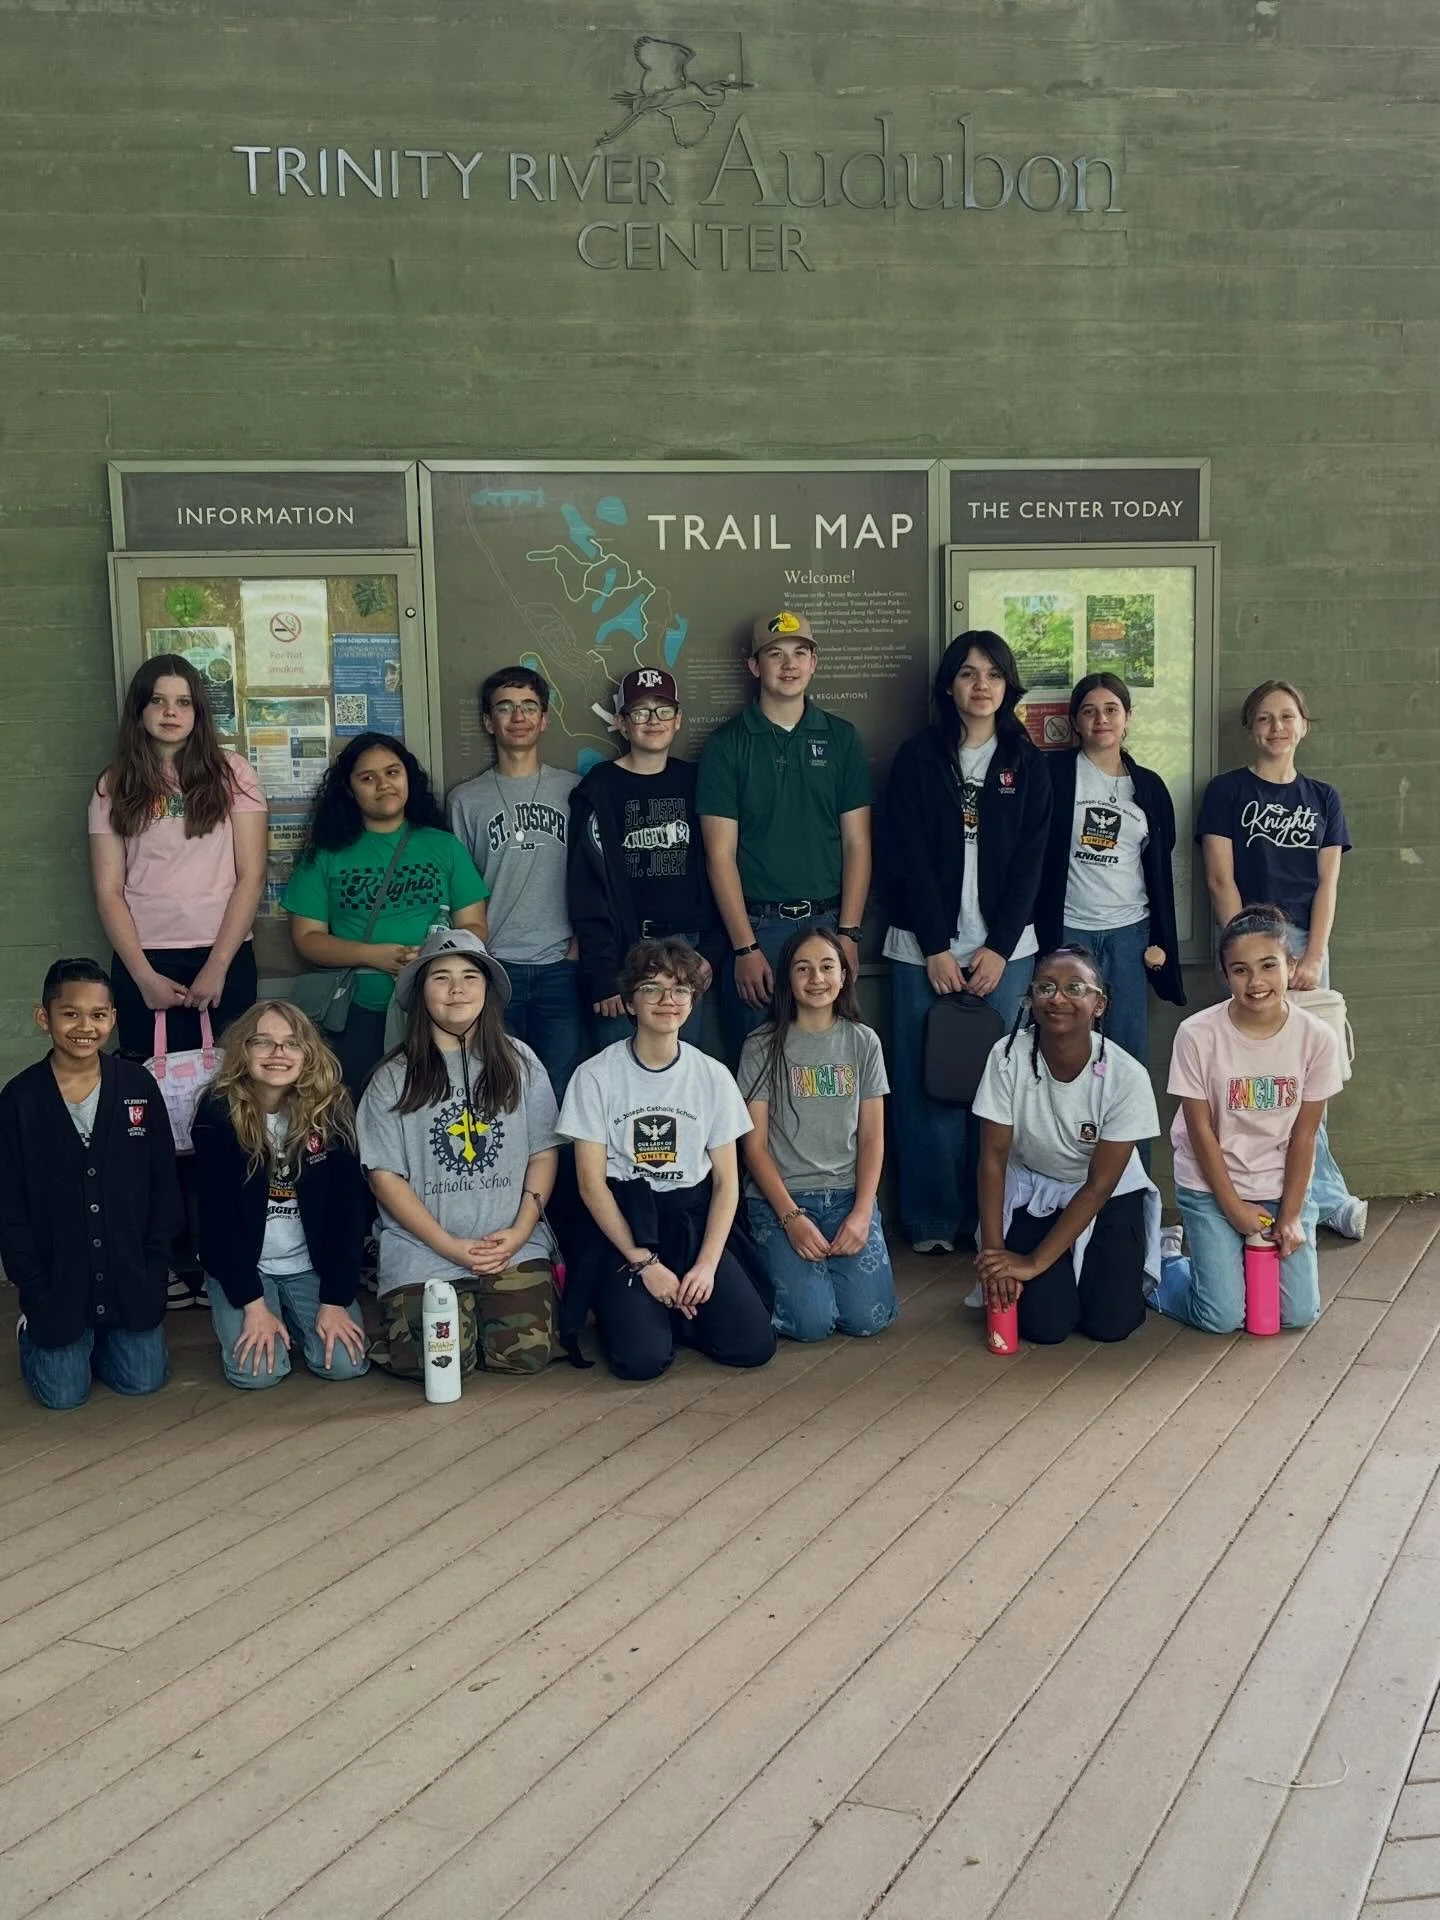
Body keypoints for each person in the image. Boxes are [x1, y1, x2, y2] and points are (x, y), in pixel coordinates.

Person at [883, 630, 1052, 1254]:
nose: (981, 686)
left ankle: (991, 1221)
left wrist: (1000, 948)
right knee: (926, 1085)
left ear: (1008, 687)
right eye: (967, 673)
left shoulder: (1026, 762)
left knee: (1000, 1091)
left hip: (1004, 954)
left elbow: (1033, 862)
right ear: (948, 685)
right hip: (921, 949)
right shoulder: (917, 757)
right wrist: (934, 944)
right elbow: (903, 853)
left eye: (993, 674)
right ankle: (931, 1221)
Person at [558, 940, 777, 1381]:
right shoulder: (595, 1075)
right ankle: (631, 1307)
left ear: (693, 1001)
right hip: (627, 1225)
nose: (667, 1000)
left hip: (690, 1220)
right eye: (651, 989)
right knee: (642, 1362)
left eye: (679, 989)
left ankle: (676, 1313)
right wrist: (645, 1265)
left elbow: (726, 1184)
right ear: (630, 1002)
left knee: (753, 1346)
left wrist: (707, 1266)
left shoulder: (712, 1075)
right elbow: (591, 1185)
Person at [1196, 679, 1365, 1239]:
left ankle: (1319, 1198)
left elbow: (1328, 884)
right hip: (1248, 942)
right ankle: (1262, 1195)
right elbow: (1220, 880)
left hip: (1305, 944)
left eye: (1287, 716)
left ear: (1304, 726)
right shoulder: (1226, 791)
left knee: (1308, 1077)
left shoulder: (1323, 798)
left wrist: (1311, 955)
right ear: (1251, 728)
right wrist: (1248, 953)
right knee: (1251, 1078)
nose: (1277, 727)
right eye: (1265, 718)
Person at [356, 927, 560, 1379]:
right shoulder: (392, 1078)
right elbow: (385, 1177)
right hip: (424, 1249)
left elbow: (544, 1153)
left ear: (488, 990)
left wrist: (521, 1231)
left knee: (523, 1356)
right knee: (442, 1367)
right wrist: (447, 1246)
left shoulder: (521, 1062)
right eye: (441, 978)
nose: (457, 989)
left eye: (470, 976)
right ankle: (397, 1326)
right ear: (420, 992)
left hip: (509, 1245)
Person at [1151, 905, 1343, 1333]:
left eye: (1268, 966)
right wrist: (1233, 1207)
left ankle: (1224, 1258)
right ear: (1226, 975)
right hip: (1210, 1186)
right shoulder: (1197, 1034)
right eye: (1241, 970)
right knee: (1221, 1316)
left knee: (1297, 1314)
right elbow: (1200, 1132)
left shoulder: (1317, 1038)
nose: (1256, 982)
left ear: (1291, 966)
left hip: (1281, 1186)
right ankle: (1163, 1264)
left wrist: (1290, 1215)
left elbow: (1305, 1135)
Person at [0, 958, 181, 1410]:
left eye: (98, 1015)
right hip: (58, 1282)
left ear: (113, 1019)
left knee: (142, 1380)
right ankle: (39, 1334)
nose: (85, 1027)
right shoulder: (20, 1099)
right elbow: (10, 1205)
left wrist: (154, 1267)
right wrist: (33, 1285)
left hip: (129, 1276)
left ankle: (100, 1340)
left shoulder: (137, 1085)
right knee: (63, 1395)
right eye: (70, 1013)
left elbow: (163, 1182)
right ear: (44, 1017)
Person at [698, 611, 872, 1058]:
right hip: (759, 929)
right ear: (754, 666)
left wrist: (848, 935)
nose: (789, 664)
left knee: (828, 1064)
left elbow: (857, 843)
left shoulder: (841, 738)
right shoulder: (727, 744)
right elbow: (720, 855)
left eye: (800, 653)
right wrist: (745, 947)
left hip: (828, 926)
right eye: (775, 654)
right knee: (756, 1067)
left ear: (814, 663)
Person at [283, 732, 490, 1097]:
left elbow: (474, 925)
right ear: (349, 790)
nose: (383, 784)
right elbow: (307, 939)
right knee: (358, 1108)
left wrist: (432, 956)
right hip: (356, 1011)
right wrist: (373, 956)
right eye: (368, 778)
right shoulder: (326, 853)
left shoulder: (443, 846)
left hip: (435, 1008)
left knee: (435, 1106)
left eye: (393, 772)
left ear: (408, 777)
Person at [974, 946, 1161, 1347]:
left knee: (1111, 1324)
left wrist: (1034, 1262)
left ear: (1099, 1004)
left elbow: (1098, 1186)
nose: (1057, 998)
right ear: (1031, 999)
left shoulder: (1127, 1076)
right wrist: (995, 1258)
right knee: (1046, 1325)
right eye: (1045, 988)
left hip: (1107, 1195)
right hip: (1034, 1188)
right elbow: (992, 1158)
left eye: (1075, 988)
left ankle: (1165, 1256)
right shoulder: (1007, 1057)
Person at [89, 653, 268, 1059]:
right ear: (139, 710)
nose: (171, 712)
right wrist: (143, 977)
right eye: (158, 700)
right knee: (148, 1079)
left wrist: (218, 966)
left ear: (198, 711)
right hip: (145, 956)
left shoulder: (233, 772)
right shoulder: (113, 784)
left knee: (230, 1080)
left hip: (224, 951)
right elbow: (108, 891)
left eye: (183, 702)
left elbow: (252, 875)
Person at [192, 1000, 370, 1391]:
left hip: (308, 1264)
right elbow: (217, 1221)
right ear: (243, 1050)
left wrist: (335, 1301)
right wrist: (253, 1305)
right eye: (263, 1042)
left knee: (346, 1364)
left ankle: (293, 1312)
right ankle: (264, 1307)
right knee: (257, 1374)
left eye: (292, 1043)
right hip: (247, 1264)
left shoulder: (332, 1108)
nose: (278, 1053)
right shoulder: (217, 1110)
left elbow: (348, 1214)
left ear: (308, 1053)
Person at [738, 928, 898, 1343]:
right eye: (803, 969)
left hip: (847, 1196)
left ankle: (821, 1277)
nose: (816, 979)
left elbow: (872, 1138)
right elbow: (753, 1146)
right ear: (787, 978)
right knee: (811, 1324)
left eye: (828, 967)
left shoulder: (863, 1041)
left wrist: (862, 1213)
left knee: (868, 1319)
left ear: (844, 976)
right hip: (782, 1199)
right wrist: (791, 1219)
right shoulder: (761, 1045)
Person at [1036, 672, 1185, 1070]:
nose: (1101, 719)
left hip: (1129, 935)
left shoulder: (1149, 787)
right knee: (1064, 1044)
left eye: (1111, 709)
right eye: (1089, 711)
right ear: (1075, 721)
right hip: (1068, 929)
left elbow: (1159, 858)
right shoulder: (1053, 774)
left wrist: (1159, 940)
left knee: (1126, 1051)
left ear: (1127, 717)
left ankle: (1126, 1116)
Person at [448, 667, 583, 1101]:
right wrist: (476, 957)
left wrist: (578, 946)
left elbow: (594, 877)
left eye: (529, 707)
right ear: (489, 722)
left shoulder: (575, 791)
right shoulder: (465, 799)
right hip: (494, 966)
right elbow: (458, 889)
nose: (518, 717)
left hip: (560, 966)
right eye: (505, 708)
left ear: (544, 719)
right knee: (498, 1090)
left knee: (558, 1092)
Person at [568, 666, 717, 1050]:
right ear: (621, 723)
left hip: (686, 951)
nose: (653, 720)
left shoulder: (697, 782)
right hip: (624, 952)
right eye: (640, 712)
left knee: (682, 1064)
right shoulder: (599, 788)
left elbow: (719, 865)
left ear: (678, 719)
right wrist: (602, 974)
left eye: (664, 710)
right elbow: (587, 887)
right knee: (620, 1066)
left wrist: (710, 953)